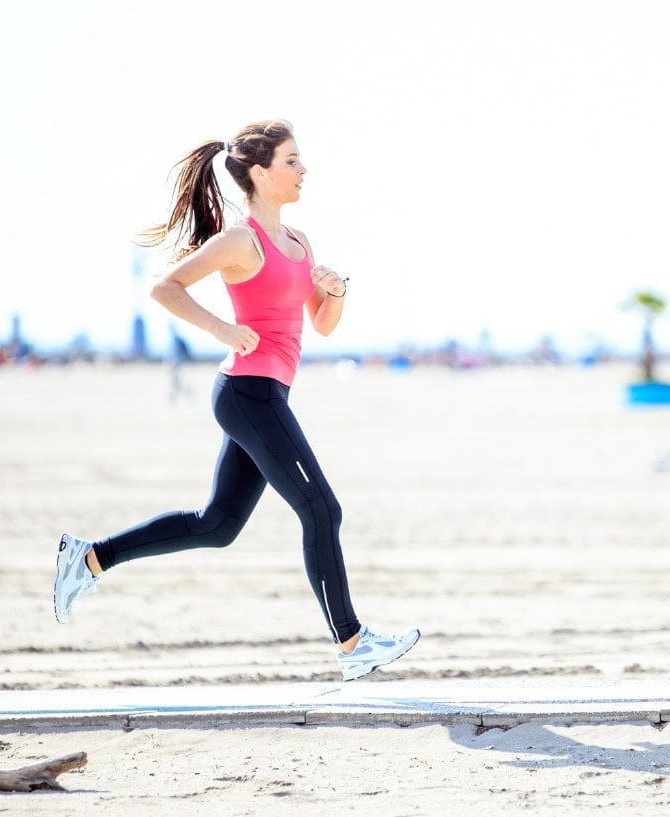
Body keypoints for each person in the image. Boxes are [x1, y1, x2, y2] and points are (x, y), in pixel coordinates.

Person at [53, 119, 419, 682]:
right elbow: (165, 288)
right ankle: (352, 645)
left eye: (301, 161)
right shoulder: (238, 240)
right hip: (248, 392)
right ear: (258, 172)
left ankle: (89, 558)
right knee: (322, 509)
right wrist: (223, 330)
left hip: (266, 392)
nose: (303, 171)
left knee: (217, 525)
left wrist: (337, 291)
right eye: (292, 162)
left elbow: (320, 325)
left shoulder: (299, 242)